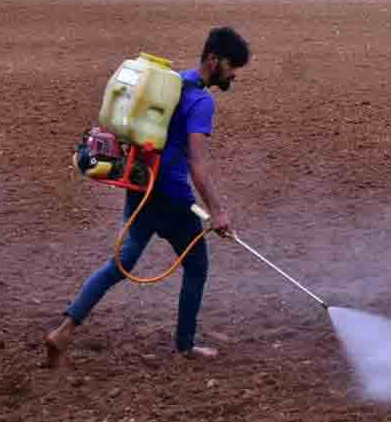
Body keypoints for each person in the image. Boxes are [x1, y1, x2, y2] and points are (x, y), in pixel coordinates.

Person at [45, 26, 251, 366]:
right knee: (197, 266)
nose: (233, 75)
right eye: (232, 67)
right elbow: (198, 164)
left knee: (120, 264)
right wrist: (218, 212)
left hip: (142, 188)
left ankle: (64, 330)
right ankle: (185, 345)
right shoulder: (201, 101)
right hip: (172, 196)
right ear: (214, 60)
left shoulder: (172, 83)